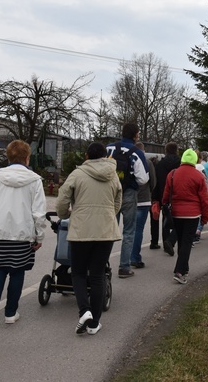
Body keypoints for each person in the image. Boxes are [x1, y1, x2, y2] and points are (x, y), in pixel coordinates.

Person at [0, 140, 46, 324]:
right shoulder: (35, 181)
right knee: (17, 272)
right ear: (27, 158)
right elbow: (39, 212)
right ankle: (10, 313)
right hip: (22, 236)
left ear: (8, 156)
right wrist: (39, 236)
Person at [57, 142, 122, 335]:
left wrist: (64, 214)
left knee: (78, 272)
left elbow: (62, 199)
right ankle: (95, 323)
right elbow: (117, 202)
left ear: (86, 156)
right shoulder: (113, 176)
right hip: (105, 231)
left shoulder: (77, 174)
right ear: (105, 156)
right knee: (97, 274)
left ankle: (84, 310)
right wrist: (108, 215)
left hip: (81, 231)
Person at [106, 124, 149, 279]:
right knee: (129, 231)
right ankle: (124, 267)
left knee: (109, 230)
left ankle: (103, 264)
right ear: (136, 135)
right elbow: (143, 178)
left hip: (110, 193)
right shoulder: (136, 152)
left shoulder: (109, 148)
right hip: (129, 193)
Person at [162, 149, 208, 283]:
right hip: (192, 214)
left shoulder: (172, 174)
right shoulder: (199, 176)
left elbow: (166, 195)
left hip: (176, 213)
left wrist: (165, 207)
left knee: (182, 241)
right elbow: (204, 199)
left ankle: (184, 267)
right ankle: (179, 271)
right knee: (187, 242)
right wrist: (205, 216)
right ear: (195, 160)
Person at [129, 142, 157, 269]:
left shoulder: (128, 160)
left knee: (129, 230)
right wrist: (149, 192)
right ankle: (135, 257)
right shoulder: (147, 162)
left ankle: (127, 256)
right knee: (138, 229)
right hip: (144, 199)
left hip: (129, 198)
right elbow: (153, 181)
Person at [152, 142, 181, 256]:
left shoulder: (160, 164)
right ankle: (171, 239)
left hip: (163, 192)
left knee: (165, 218)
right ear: (176, 150)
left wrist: (155, 197)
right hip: (176, 194)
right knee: (178, 218)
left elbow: (156, 181)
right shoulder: (180, 163)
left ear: (166, 150)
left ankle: (165, 241)